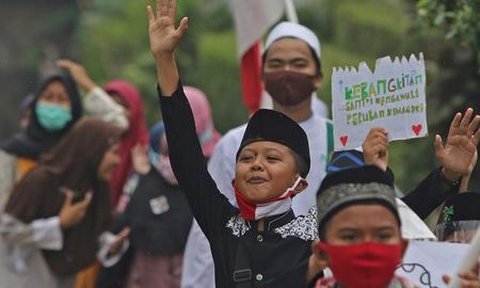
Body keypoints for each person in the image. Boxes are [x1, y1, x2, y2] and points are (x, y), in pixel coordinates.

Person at [148, 1, 321, 285]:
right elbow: (187, 160)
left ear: (299, 183)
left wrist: (377, 171)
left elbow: (391, 214)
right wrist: (165, 60)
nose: (256, 165)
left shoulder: (316, 239)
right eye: (247, 158)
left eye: (272, 159)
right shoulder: (224, 226)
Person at [182, 19, 334, 288]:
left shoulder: (341, 141)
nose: (287, 71)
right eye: (276, 64)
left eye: (298, 64)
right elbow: (207, 232)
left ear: (318, 76)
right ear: (262, 75)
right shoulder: (234, 143)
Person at [0, 118, 130, 288]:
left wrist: (110, 244)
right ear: (92, 149)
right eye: (113, 152)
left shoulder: (95, 187)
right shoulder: (42, 180)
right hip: (23, 277)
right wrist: (58, 224)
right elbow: (7, 230)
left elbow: (91, 232)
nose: (117, 161)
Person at [57, 59, 148, 208]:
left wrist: (86, 83)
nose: (117, 110)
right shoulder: (91, 145)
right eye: (111, 104)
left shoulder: (145, 152)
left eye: (123, 105)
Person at [0, 70, 83, 211]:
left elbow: (120, 126)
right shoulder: (12, 151)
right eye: (47, 97)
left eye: (62, 99)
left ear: (74, 107)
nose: (54, 105)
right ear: (35, 103)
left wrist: (87, 84)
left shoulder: (80, 153)